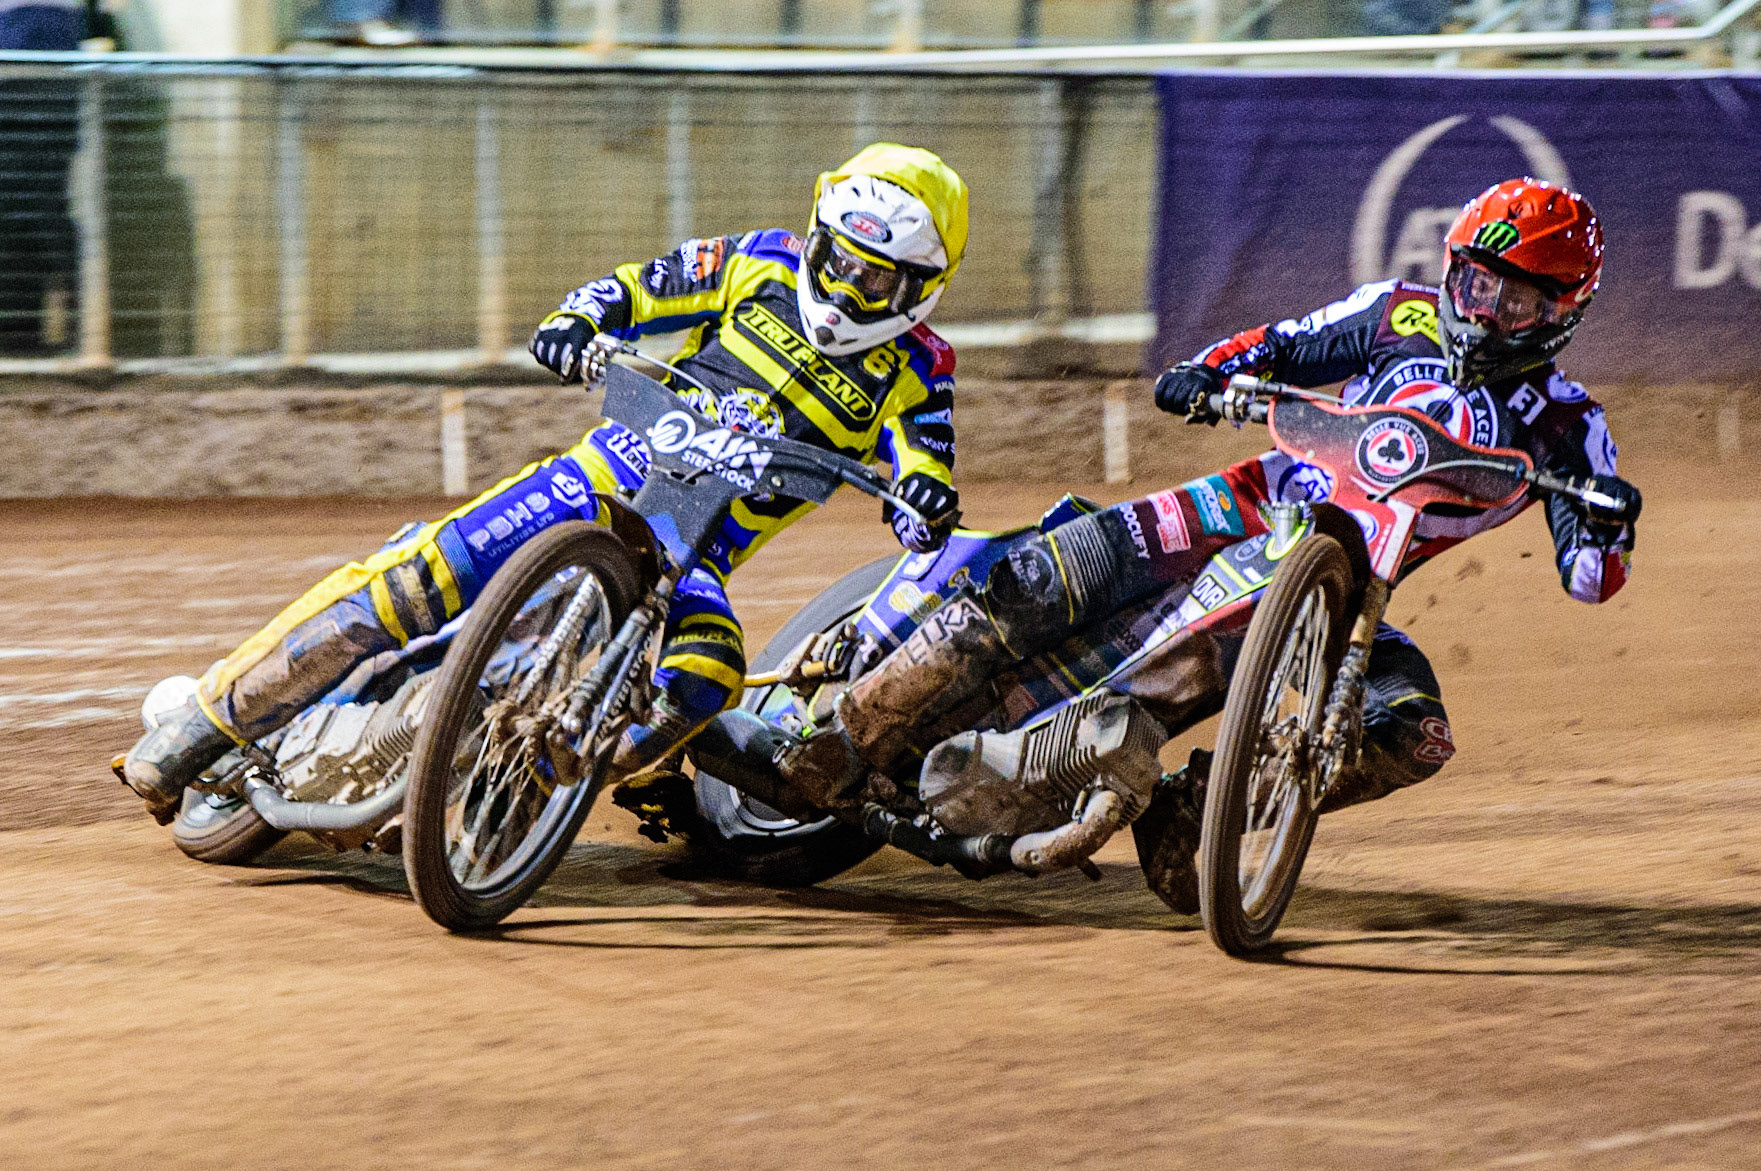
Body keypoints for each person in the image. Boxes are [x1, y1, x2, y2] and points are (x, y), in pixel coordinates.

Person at [787, 177, 1640, 913]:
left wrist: (1606, 519)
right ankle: (850, 735)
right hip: (1241, 504)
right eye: (1474, 282)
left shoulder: (1571, 426)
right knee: (1040, 581)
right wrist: (1202, 372)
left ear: (1560, 315)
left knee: (1414, 731)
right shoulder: (1394, 312)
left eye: (1514, 301)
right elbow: (1278, 345)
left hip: (1346, 604)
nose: (1484, 310)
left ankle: (1196, 807)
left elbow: (1590, 579)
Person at [119, 143, 968, 825]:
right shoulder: (760, 260)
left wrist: (925, 500)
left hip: (691, 561)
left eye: (875, 279)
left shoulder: (921, 369)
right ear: (815, 235)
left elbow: (926, 470)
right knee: (415, 579)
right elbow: (637, 289)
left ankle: (554, 777)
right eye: (839, 259)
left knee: (709, 673)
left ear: (917, 290)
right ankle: (204, 725)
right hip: (598, 480)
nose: (847, 286)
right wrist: (575, 322)